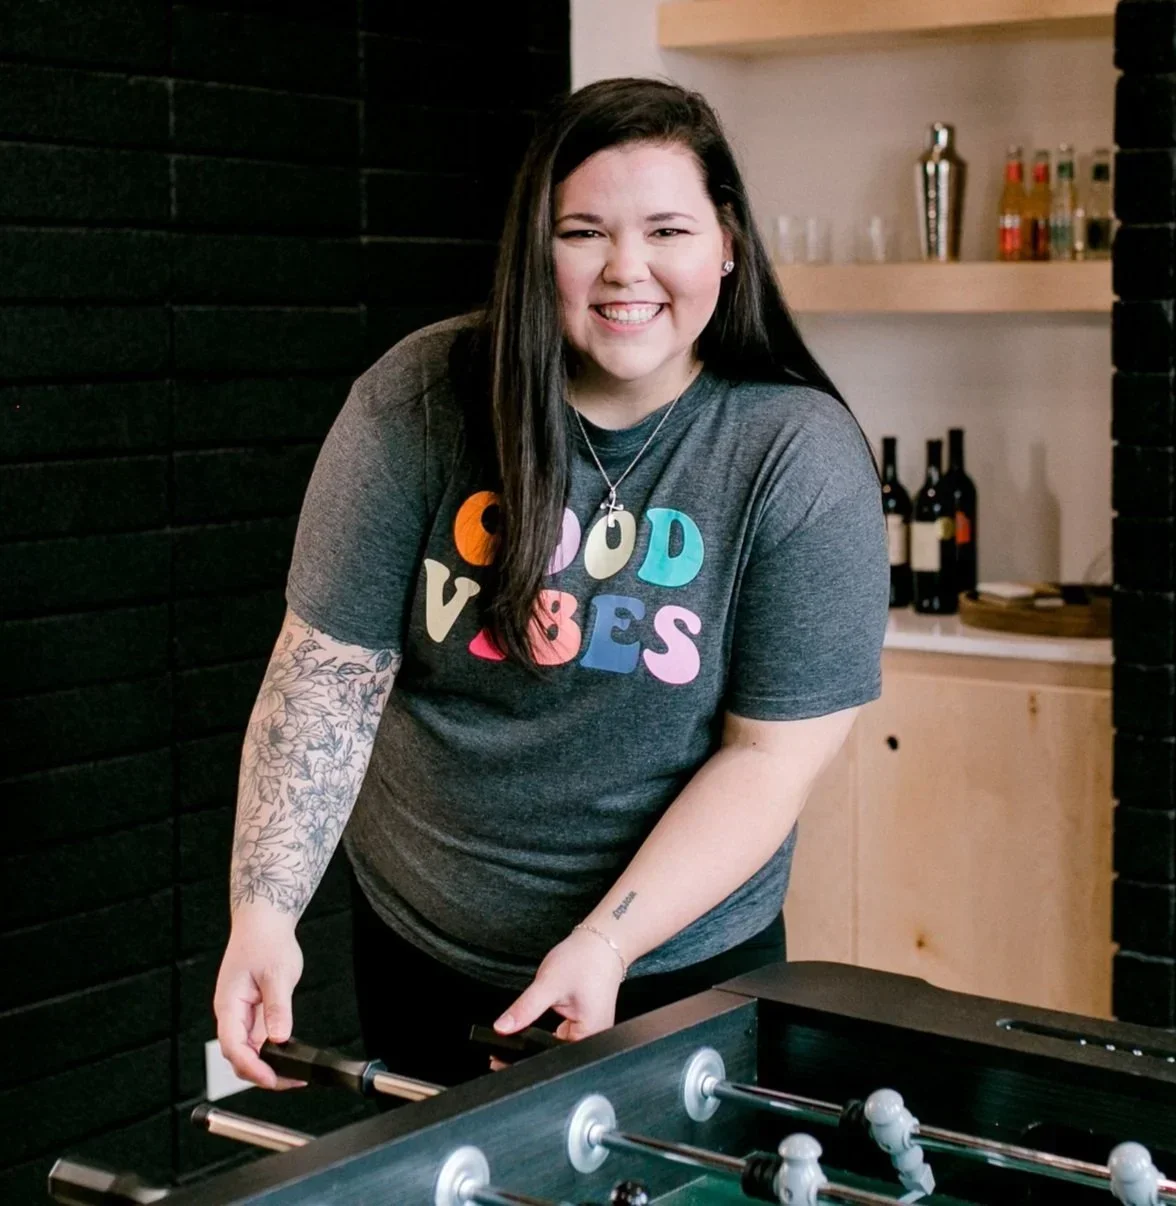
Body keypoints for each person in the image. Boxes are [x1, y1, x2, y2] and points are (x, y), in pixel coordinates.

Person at [213, 76, 888, 1092]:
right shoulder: (423, 398)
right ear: (537, 250)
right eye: (583, 232)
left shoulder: (795, 454)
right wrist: (263, 912)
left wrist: (608, 942)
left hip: (677, 966)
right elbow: (326, 676)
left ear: (729, 243)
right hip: (419, 944)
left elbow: (767, 761)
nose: (628, 270)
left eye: (667, 229)